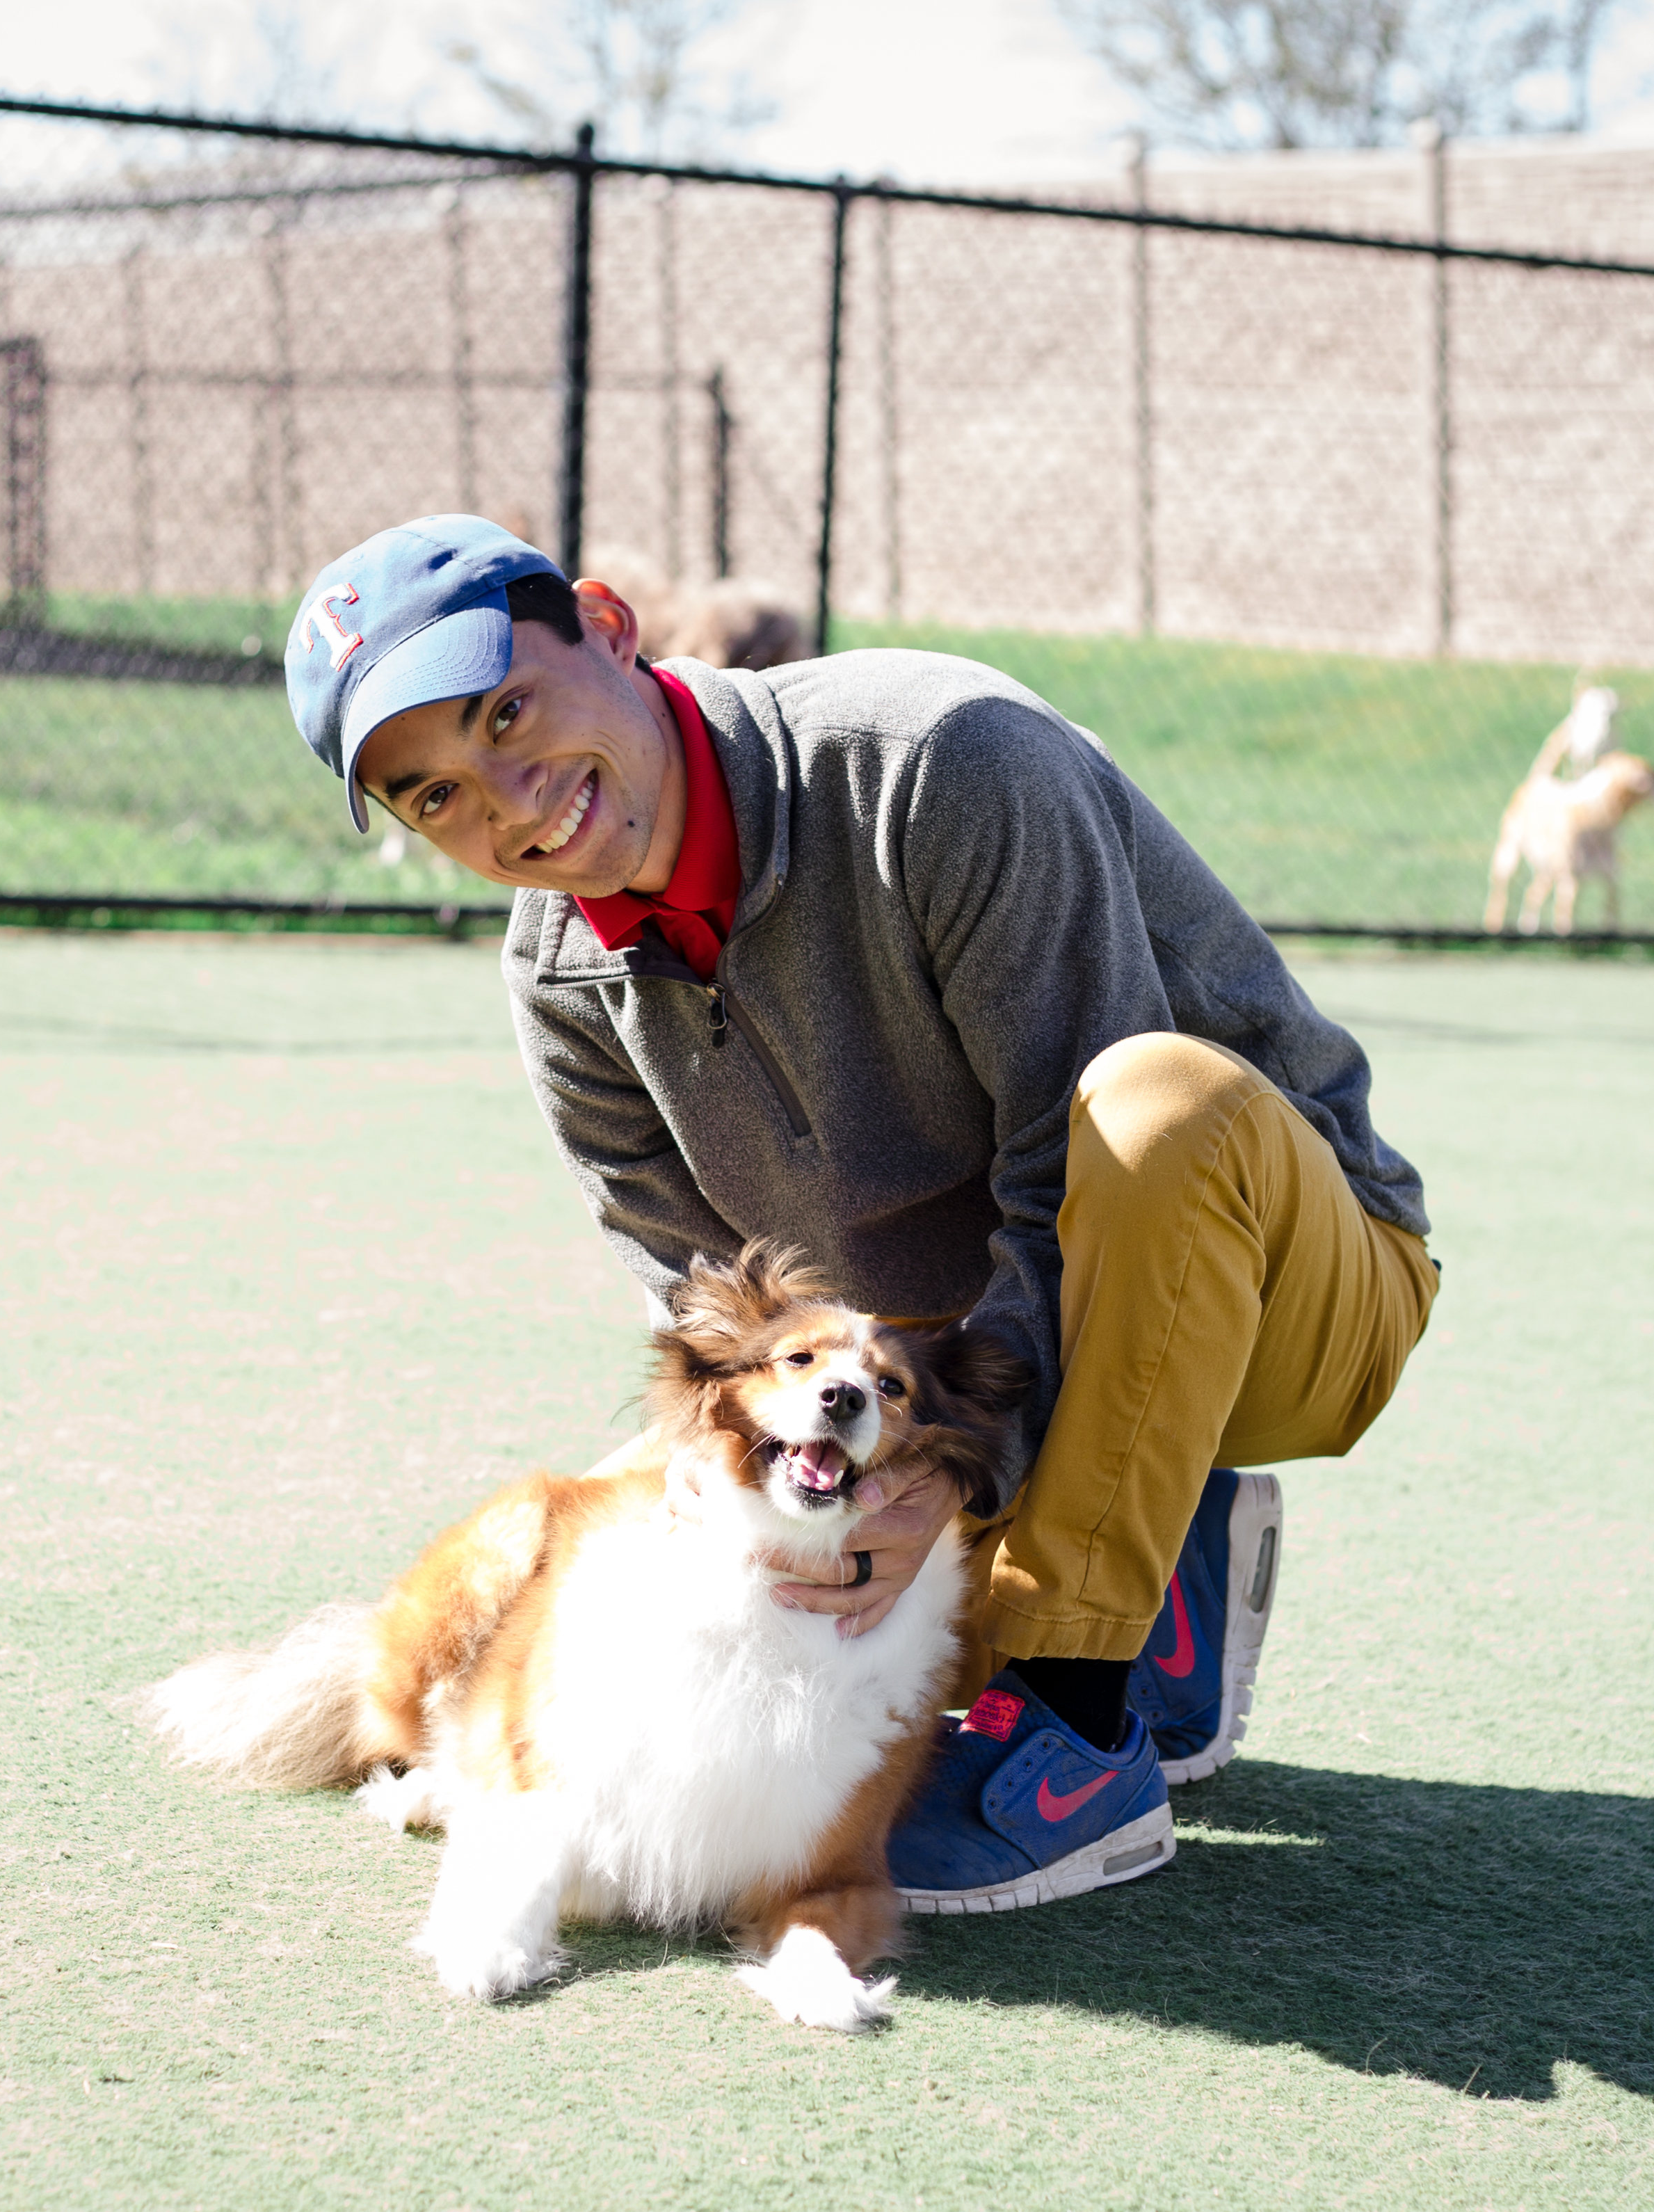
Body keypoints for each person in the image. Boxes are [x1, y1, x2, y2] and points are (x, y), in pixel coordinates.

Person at [285, 515, 1436, 1914]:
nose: (511, 802)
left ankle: (1073, 1713)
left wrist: (941, 1484)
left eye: (505, 712)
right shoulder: (558, 984)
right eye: (437, 797)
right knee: (675, 1580)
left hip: (1291, 1298)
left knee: (1156, 1107)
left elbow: (1071, 1181)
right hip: (940, 1358)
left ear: (604, 622)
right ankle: (1159, 1570)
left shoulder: (941, 762)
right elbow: (716, 1321)